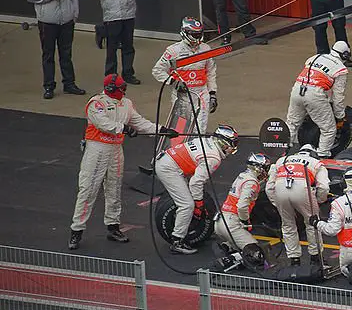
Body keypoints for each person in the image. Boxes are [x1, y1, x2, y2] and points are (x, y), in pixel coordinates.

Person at [68, 75, 176, 250]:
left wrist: (161, 130)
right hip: (97, 149)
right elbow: (103, 124)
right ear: (111, 89)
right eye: (121, 88)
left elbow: (139, 122)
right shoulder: (96, 103)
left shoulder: (126, 104)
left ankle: (113, 226)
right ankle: (76, 230)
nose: (124, 91)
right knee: (88, 189)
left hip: (116, 150)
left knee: (114, 188)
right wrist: (123, 128)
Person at [154, 124, 239, 255]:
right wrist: (198, 205)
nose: (231, 149)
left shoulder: (206, 140)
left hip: (168, 162)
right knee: (187, 204)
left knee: (189, 198)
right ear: (223, 143)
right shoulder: (213, 158)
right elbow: (195, 183)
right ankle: (177, 241)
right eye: (231, 145)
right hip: (168, 169)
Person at [26, 0, 85, 100]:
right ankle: (49, 86)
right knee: (48, 55)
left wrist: (75, 12)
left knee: (66, 54)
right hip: (47, 21)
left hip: (66, 19)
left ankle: (69, 84)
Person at [265, 144, 330, 266]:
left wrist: (277, 203)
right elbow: (324, 187)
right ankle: (316, 258)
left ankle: (294, 260)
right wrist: (319, 200)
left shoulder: (281, 161)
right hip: (303, 190)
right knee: (312, 224)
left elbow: (269, 188)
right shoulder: (316, 163)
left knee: (288, 226)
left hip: (280, 190)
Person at [152, 17, 218, 134]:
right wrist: (174, 82)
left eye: (199, 34)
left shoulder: (206, 49)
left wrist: (212, 93)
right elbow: (157, 70)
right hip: (181, 96)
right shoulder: (173, 51)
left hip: (202, 94)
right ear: (185, 32)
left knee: (200, 130)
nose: (197, 37)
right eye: (194, 34)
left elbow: (211, 72)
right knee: (180, 130)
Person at [287, 41, 351, 158]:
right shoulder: (341, 69)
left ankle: (283, 150)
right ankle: (322, 157)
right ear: (345, 55)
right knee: (329, 129)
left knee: (292, 123)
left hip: (296, 90)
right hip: (314, 95)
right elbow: (338, 97)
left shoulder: (315, 57)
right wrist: (340, 116)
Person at [92, 0, 143, 84]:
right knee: (112, 47)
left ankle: (128, 73)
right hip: (112, 14)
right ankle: (111, 76)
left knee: (128, 46)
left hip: (128, 13)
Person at [213, 152, 271, 270]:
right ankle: (229, 259)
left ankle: (228, 247)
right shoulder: (252, 182)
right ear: (258, 168)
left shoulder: (243, 175)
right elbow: (242, 206)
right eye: (265, 168)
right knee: (257, 254)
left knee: (242, 243)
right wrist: (245, 221)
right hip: (232, 223)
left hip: (220, 220)